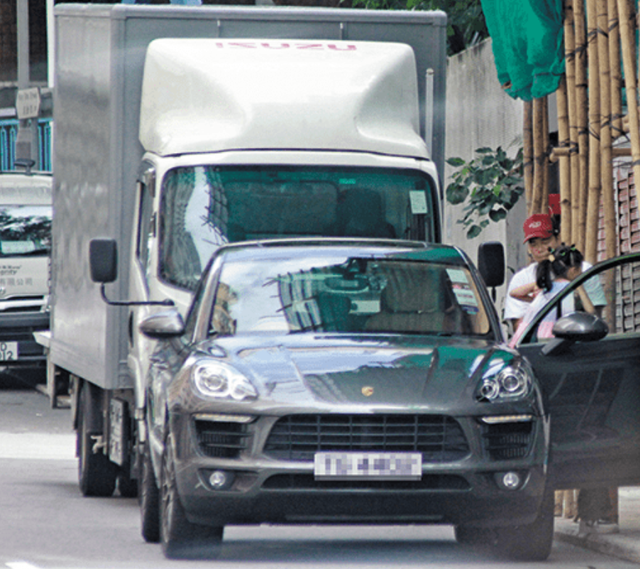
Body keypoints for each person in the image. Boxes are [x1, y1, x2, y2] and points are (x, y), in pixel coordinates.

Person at [507, 244, 593, 347]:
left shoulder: (546, 289)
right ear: (574, 270)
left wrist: (535, 291)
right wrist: (579, 285)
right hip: (556, 342)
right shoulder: (570, 291)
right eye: (580, 270)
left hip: (529, 340)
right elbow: (591, 312)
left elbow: (514, 293)